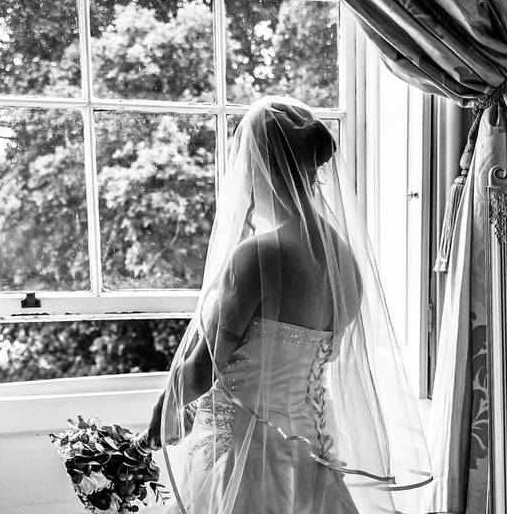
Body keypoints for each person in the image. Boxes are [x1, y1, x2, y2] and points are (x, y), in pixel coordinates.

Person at [140, 96, 431, 514]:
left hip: (250, 457)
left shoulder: (259, 255)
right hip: (314, 454)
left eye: (245, 165)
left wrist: (164, 410)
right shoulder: (344, 260)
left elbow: (205, 369)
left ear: (263, 167)